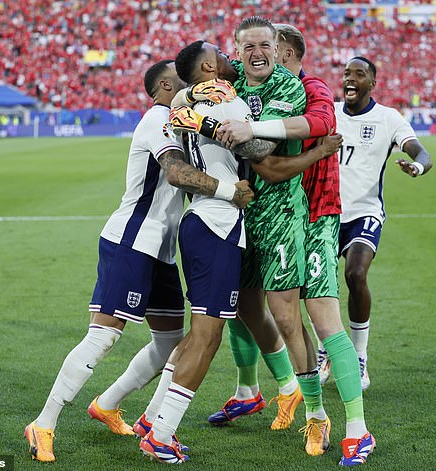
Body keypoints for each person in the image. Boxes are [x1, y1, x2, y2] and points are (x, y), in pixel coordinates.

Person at [24, 60, 253, 463]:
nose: (193, 85)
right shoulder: (158, 119)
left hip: (162, 250)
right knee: (103, 337)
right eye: (183, 81)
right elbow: (178, 173)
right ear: (166, 85)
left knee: (169, 343)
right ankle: (43, 422)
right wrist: (227, 191)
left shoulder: (183, 119)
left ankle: (108, 403)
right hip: (132, 240)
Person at [137, 40, 340, 464]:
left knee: (207, 331)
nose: (233, 58)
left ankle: (156, 420)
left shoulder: (191, 100)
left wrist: (201, 112)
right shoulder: (224, 102)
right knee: (208, 336)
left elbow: (179, 107)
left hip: (206, 225)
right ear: (210, 67)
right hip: (217, 223)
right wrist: (294, 138)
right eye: (224, 54)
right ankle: (160, 432)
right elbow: (259, 153)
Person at [334, 57, 432, 396]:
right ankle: (327, 349)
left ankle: (359, 354)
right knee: (314, 285)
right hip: (327, 212)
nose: (350, 78)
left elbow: (422, 153)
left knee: (355, 274)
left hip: (365, 211)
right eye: (347, 73)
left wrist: (417, 167)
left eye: (359, 74)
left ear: (372, 83)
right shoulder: (329, 113)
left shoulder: (388, 118)